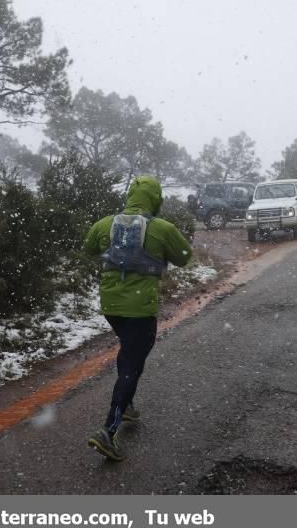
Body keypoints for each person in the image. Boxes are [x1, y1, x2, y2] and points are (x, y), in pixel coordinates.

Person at [83, 175, 193, 461]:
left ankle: (127, 404)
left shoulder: (106, 223)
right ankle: (108, 430)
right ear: (156, 200)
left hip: (111, 306)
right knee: (133, 362)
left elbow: (89, 248)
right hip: (140, 309)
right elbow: (184, 256)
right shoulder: (162, 228)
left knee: (129, 351)